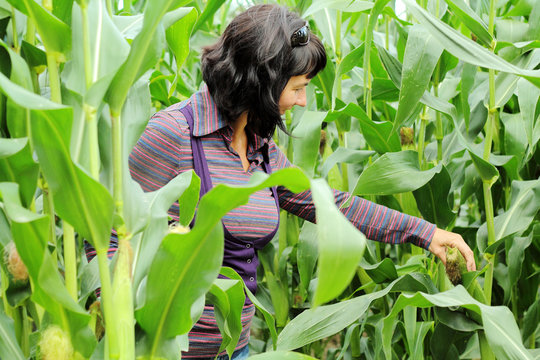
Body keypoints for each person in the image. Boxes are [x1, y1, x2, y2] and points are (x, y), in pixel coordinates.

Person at [89, 4, 476, 359]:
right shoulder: (173, 135)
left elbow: (331, 204)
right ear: (260, 82)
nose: (304, 101)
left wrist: (426, 233)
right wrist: (122, 328)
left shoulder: (259, 145)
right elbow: (105, 236)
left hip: (233, 347)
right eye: (297, 87)